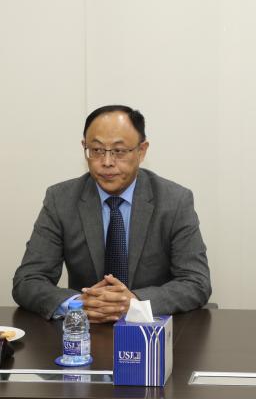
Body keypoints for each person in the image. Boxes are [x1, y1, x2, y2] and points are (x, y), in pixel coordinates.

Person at [12, 105, 212, 322]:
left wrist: (133, 302)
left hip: (151, 332)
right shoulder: (61, 199)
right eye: (96, 150)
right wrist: (78, 304)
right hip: (85, 331)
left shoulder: (174, 201)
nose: (106, 162)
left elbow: (196, 282)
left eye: (119, 151)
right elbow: (28, 280)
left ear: (142, 150)